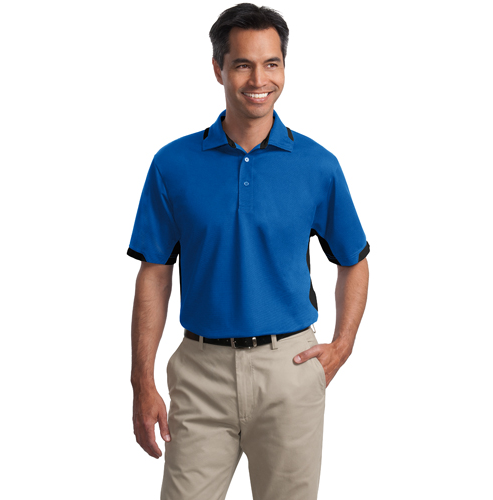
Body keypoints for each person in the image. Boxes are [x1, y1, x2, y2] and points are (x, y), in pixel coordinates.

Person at [127, 3, 370, 499]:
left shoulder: (318, 165)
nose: (259, 80)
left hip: (290, 372)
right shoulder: (172, 164)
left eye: (271, 64)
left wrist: (342, 346)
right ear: (218, 69)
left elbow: (354, 260)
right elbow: (155, 272)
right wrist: (142, 382)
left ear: (284, 67)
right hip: (200, 373)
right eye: (242, 64)